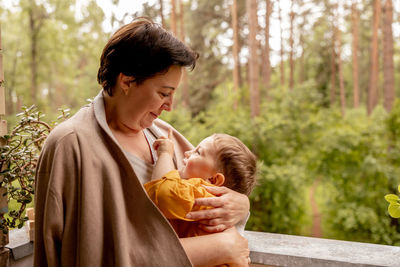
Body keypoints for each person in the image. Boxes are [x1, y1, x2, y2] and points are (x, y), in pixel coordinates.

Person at [34, 17, 251, 266]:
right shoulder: (69, 146)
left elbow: (214, 189)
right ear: (127, 81)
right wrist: (217, 247)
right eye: (163, 93)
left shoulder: (165, 137)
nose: (169, 106)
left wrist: (241, 205)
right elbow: (72, 252)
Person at [144, 131, 257, 238]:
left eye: (198, 152)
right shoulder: (214, 204)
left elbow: (161, 192)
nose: (187, 153)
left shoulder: (202, 195)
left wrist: (165, 154)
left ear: (213, 180)